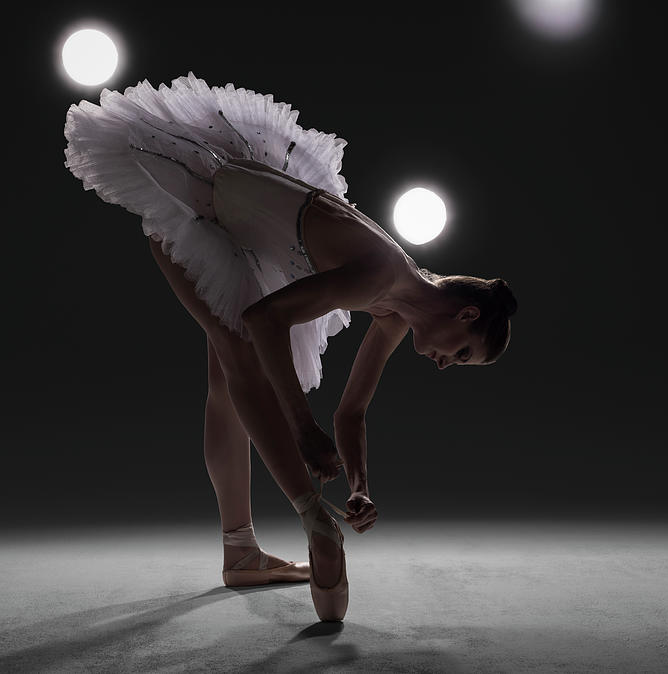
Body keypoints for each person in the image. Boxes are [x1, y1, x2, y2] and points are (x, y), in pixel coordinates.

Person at [63, 72, 517, 622]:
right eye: (462, 352)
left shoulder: (396, 311)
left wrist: (360, 486)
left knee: (226, 388)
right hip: (199, 204)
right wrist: (303, 430)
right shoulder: (381, 276)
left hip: (250, 236)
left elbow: (351, 412)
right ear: (465, 314)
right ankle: (311, 519)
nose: (447, 364)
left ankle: (242, 552)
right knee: (239, 356)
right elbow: (264, 318)